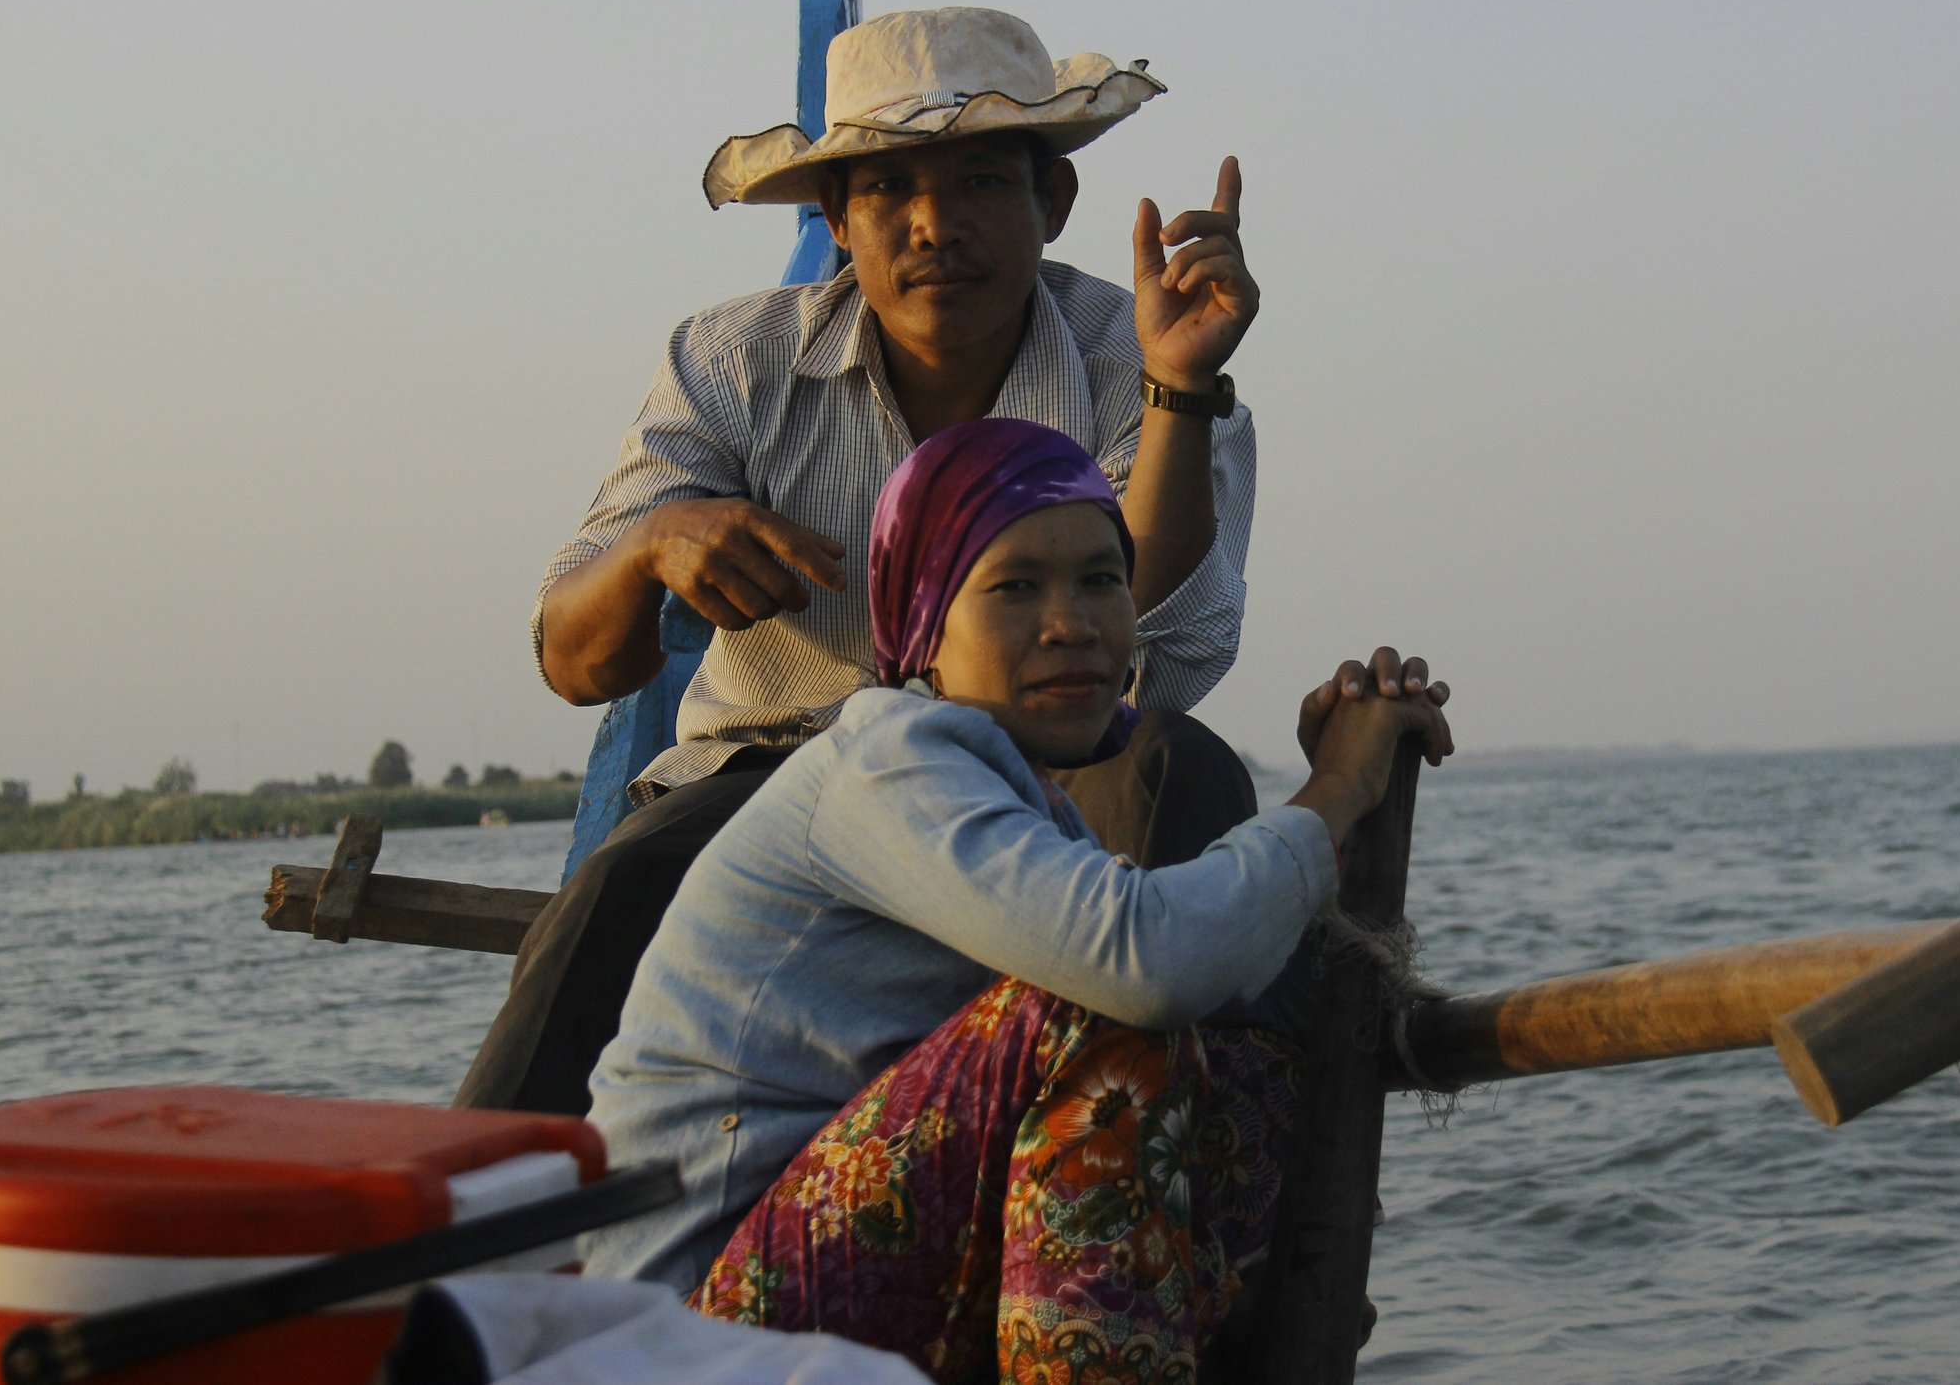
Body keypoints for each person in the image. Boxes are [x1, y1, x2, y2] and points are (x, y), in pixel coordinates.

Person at [461, 7, 1273, 1114]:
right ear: (838, 219)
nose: (934, 225)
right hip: (778, 777)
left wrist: (1180, 385)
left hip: (1045, 769)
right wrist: (654, 546)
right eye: (889, 191)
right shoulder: (731, 360)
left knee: (1179, 773)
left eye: (983, 182)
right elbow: (573, 658)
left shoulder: (1142, 350)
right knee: (615, 891)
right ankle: (488, 1254)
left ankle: (1162, 1211)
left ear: (1054, 204)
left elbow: (1145, 626)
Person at [584, 419, 1453, 1383]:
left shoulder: (1023, 805)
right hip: (690, 1324)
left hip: (821, 1297)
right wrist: (1334, 791)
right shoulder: (890, 759)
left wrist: (1344, 804)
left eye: (1099, 579)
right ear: (924, 626)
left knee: (1247, 1067)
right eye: (1014, 587)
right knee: (1107, 1006)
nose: (1071, 622)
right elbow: (1146, 963)